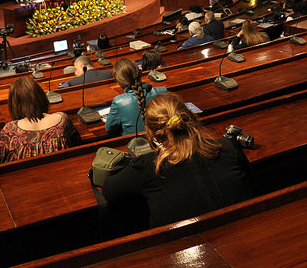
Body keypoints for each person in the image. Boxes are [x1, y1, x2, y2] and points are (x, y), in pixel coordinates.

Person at [102, 92, 255, 228]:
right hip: (246, 231)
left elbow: (109, 190)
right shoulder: (228, 147)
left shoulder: (148, 166)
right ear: (191, 117)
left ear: (152, 135)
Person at [0, 76, 81, 164]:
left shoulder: (11, 129)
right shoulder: (62, 119)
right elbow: (76, 143)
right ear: (41, 96)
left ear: (15, 104)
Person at [105, 58, 167, 136]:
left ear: (117, 81)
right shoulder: (163, 91)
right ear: (141, 73)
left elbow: (109, 129)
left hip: (134, 145)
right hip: (162, 140)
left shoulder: (118, 102)